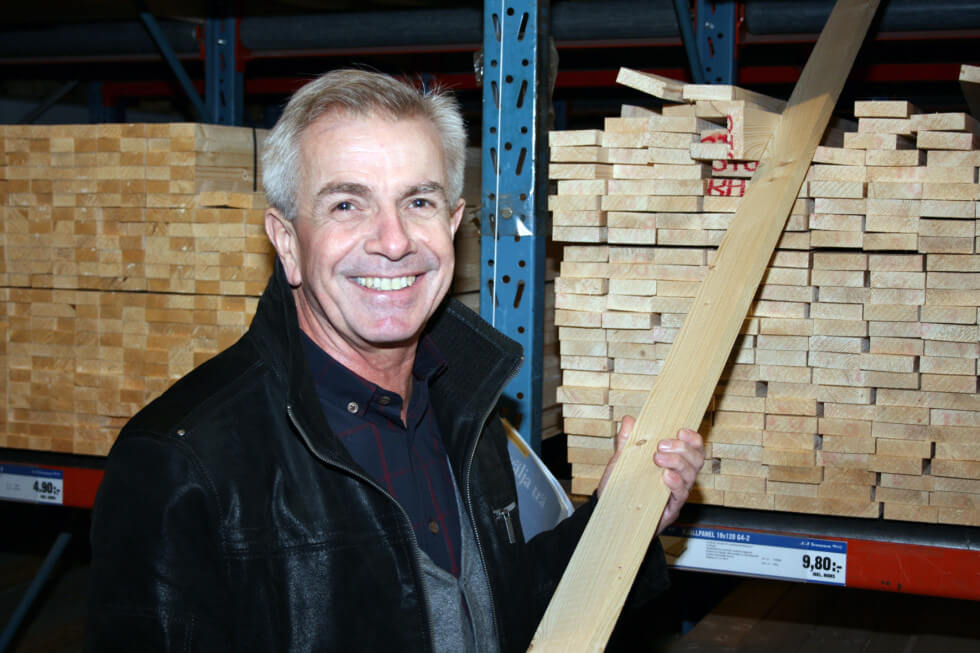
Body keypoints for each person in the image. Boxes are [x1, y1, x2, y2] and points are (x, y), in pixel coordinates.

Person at [85, 69, 705, 653]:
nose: (394, 241)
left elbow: (502, 613)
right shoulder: (180, 465)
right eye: (346, 204)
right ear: (286, 242)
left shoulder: (466, 409)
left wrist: (621, 519)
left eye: (418, 202)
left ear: (454, 225)